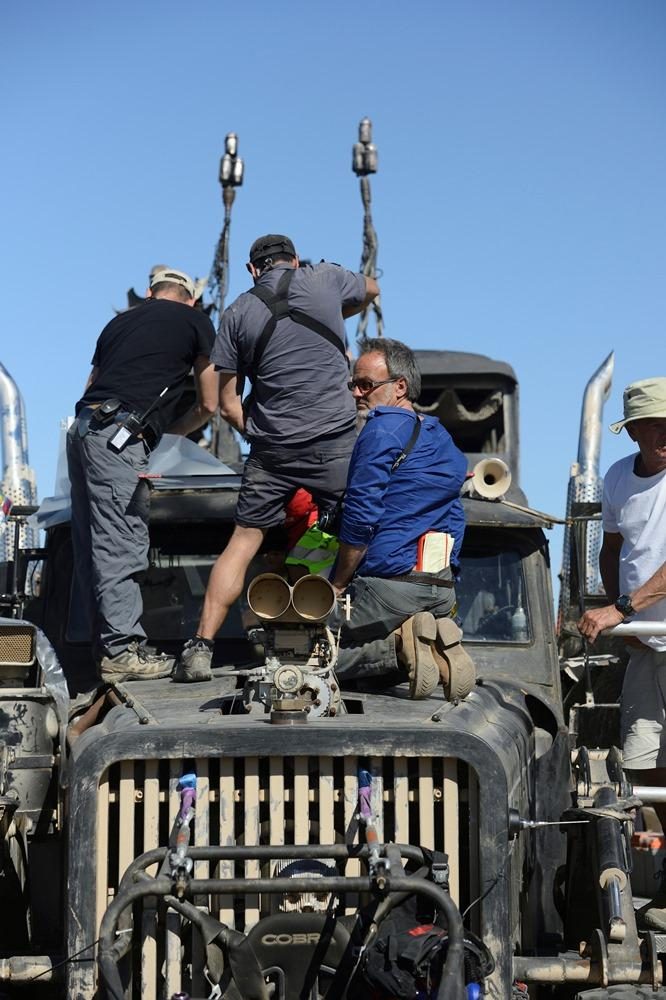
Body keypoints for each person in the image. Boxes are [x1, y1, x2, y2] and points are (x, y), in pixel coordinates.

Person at [174, 234, 379, 682]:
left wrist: (265, 435)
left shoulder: (237, 313)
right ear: (296, 260)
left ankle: (200, 648)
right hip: (334, 439)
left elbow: (228, 403)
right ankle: (367, 639)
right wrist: (335, 311)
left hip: (271, 449)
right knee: (363, 525)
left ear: (253, 271)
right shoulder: (324, 278)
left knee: (244, 540)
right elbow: (371, 289)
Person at [67, 268, 218, 684]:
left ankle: (100, 648)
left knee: (92, 546)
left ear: (150, 294)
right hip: (121, 432)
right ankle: (123, 651)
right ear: (190, 299)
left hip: (84, 429)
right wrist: (170, 436)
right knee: (121, 542)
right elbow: (208, 402)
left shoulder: (117, 323)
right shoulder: (195, 321)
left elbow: (91, 385)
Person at [329, 338, 474, 699]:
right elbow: (455, 518)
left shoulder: (379, 429)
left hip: (387, 586)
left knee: (301, 650)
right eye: (353, 385)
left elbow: (361, 516)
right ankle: (432, 647)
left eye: (366, 385)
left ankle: (398, 646)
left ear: (400, 386)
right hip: (440, 589)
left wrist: (338, 583)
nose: (357, 394)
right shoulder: (443, 439)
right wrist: (446, 573)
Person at [578, 377, 666, 926]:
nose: (664, 435)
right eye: (656, 425)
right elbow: (613, 548)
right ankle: (658, 895)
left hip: (644, 629)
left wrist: (623, 610)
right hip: (641, 649)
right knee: (642, 772)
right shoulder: (616, 478)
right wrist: (618, 609)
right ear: (634, 430)